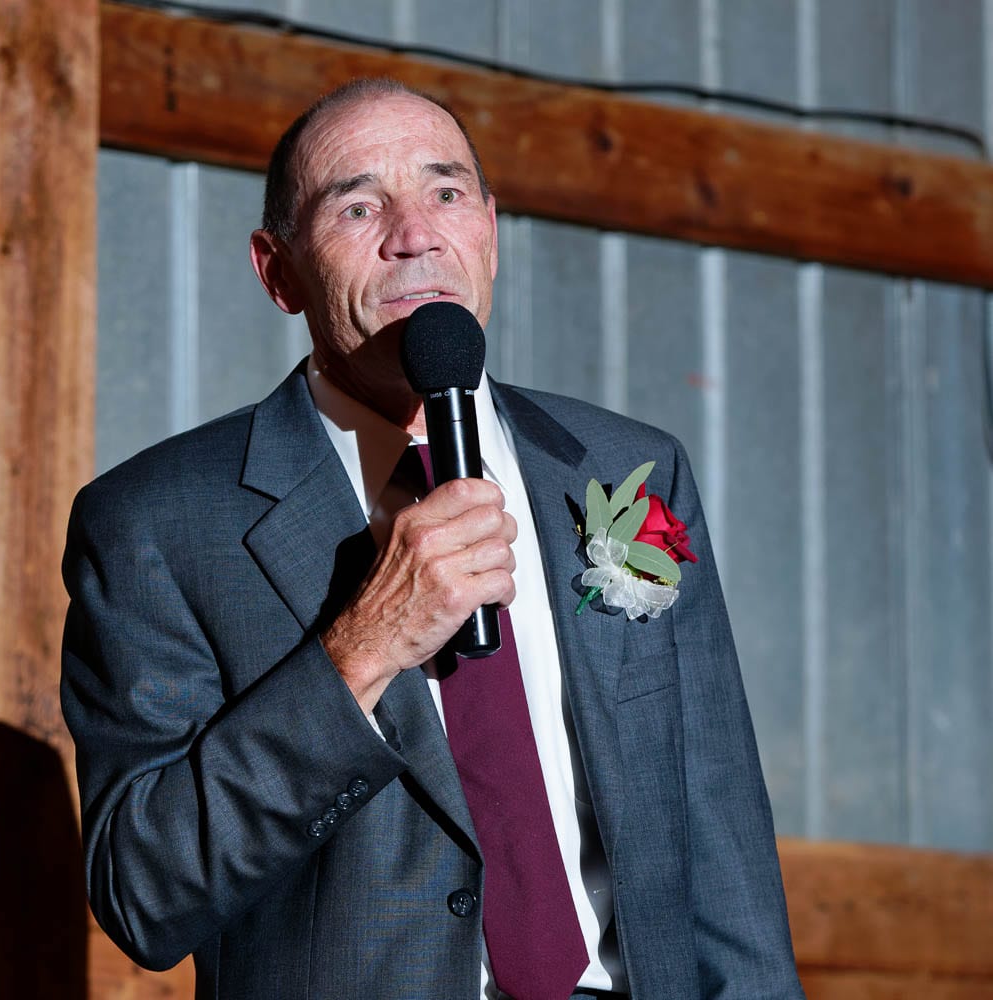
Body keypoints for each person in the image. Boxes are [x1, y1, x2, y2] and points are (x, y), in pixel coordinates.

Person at [61, 78, 803, 1000]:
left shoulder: (627, 468)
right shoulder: (157, 522)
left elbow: (720, 832)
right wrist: (364, 647)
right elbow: (143, 897)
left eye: (446, 193)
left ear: (489, 230)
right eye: (359, 204)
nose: (415, 233)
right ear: (277, 271)